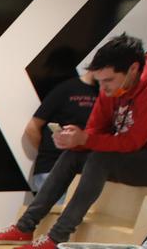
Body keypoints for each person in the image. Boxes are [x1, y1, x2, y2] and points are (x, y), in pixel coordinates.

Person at [0, 34, 147, 249]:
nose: (103, 88)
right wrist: (73, 140)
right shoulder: (113, 88)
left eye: (108, 81)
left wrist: (84, 139)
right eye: (99, 81)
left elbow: (132, 141)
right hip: (146, 153)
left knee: (101, 158)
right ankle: (24, 227)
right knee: (72, 156)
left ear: (133, 69)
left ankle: (57, 237)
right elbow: (95, 131)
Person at [23, 67, 99, 199]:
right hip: (51, 169)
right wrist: (49, 152)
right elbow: (32, 127)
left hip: (82, 174)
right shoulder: (66, 89)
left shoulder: (104, 95)